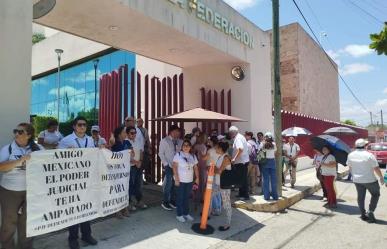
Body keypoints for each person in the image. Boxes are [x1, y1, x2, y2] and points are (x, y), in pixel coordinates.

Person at [0, 123, 42, 249]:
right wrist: (20, 160)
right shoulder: (8, 148)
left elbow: (50, 163)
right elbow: (1, 167)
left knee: (27, 224)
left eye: (20, 132)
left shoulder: (38, 148)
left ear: (29, 135)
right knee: (8, 224)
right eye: (15, 131)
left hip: (31, 192)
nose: (16, 134)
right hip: (10, 192)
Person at [58, 117, 98, 249]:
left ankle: (86, 234)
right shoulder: (66, 140)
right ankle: (73, 238)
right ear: (74, 126)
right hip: (72, 180)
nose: (82, 127)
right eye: (80, 125)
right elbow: (56, 159)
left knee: (86, 208)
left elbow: (93, 156)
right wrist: (66, 155)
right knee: (74, 210)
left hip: (86, 179)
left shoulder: (90, 139)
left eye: (84, 125)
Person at [346, 138, 384, 223]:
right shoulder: (369, 155)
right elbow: (376, 168)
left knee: (360, 197)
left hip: (357, 180)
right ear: (365, 146)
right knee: (375, 194)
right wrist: (381, 177)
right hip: (370, 180)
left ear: (356, 146)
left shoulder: (351, 155)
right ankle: (370, 211)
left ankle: (363, 214)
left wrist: (353, 176)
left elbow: (350, 167)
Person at [172, 140, 199, 222]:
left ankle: (186, 213)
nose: (186, 147)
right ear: (182, 147)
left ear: (190, 147)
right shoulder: (178, 155)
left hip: (189, 180)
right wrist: (176, 178)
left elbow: (195, 167)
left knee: (186, 198)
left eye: (188, 145)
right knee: (180, 197)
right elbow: (174, 167)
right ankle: (179, 214)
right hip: (181, 180)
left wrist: (197, 178)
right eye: (184, 145)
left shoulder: (193, 156)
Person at [159, 125, 183, 211]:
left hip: (178, 166)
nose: (178, 133)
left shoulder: (180, 142)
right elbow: (161, 154)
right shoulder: (164, 141)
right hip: (169, 166)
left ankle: (173, 201)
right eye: (177, 131)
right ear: (172, 132)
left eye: (179, 132)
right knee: (168, 183)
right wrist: (166, 164)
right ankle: (165, 201)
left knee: (175, 184)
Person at [110, 126, 132, 218]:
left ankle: (124, 208)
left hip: (125, 170)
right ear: (119, 134)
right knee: (117, 190)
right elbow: (110, 148)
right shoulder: (115, 142)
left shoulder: (127, 142)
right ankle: (117, 210)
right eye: (124, 132)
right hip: (116, 171)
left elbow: (132, 152)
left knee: (125, 189)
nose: (126, 133)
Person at [126, 126, 147, 210]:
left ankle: (139, 201)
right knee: (130, 184)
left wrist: (140, 161)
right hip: (131, 166)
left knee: (139, 184)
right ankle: (129, 203)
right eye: (132, 133)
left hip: (138, 165)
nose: (134, 134)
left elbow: (141, 151)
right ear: (127, 134)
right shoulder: (126, 142)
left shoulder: (138, 141)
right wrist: (136, 162)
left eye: (135, 133)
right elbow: (127, 155)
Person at [215, 141, 233, 231]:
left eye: (217, 147)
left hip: (224, 185)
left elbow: (219, 171)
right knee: (211, 196)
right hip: (219, 183)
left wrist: (213, 169)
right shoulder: (220, 157)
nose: (215, 149)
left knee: (226, 203)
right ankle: (213, 212)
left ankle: (228, 223)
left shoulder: (225, 158)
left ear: (221, 148)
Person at [229, 126, 250, 200]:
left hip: (241, 162)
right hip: (243, 161)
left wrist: (234, 158)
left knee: (243, 179)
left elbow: (240, 149)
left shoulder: (238, 138)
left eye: (230, 133)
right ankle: (241, 194)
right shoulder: (241, 137)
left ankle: (245, 195)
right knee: (242, 178)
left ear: (232, 133)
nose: (230, 135)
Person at [261, 132, 278, 201]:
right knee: (273, 180)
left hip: (265, 162)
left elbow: (260, 152)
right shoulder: (274, 144)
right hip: (272, 161)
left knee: (266, 180)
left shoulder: (262, 144)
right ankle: (275, 196)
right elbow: (275, 152)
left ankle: (266, 196)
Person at [193, 132, 208, 201]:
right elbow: (203, 156)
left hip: (196, 164)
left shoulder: (195, 146)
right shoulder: (203, 146)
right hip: (202, 165)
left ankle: (195, 195)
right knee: (203, 181)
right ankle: (202, 197)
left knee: (196, 180)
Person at [136, 117, 152, 182]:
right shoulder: (134, 130)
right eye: (138, 121)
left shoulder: (144, 130)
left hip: (143, 149)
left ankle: (142, 179)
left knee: (144, 163)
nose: (139, 123)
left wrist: (149, 148)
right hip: (136, 149)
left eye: (140, 121)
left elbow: (147, 139)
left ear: (142, 122)